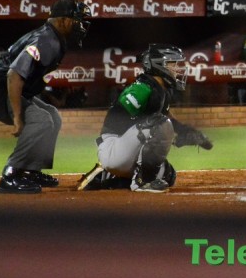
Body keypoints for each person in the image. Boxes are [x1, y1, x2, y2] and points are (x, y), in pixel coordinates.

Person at [0, 0, 93, 193]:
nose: (81, 25)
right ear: (63, 20)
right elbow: (13, 75)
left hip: (11, 88)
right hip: (0, 89)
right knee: (41, 120)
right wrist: (17, 117)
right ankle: (11, 174)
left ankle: (30, 170)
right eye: (77, 20)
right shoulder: (46, 40)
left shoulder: (52, 36)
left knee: (53, 116)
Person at [76, 44, 213, 193]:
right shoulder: (142, 88)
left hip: (127, 146)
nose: (178, 69)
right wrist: (148, 129)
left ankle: (105, 177)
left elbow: (167, 121)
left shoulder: (162, 90)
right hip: (114, 145)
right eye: (173, 64)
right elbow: (115, 119)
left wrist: (185, 131)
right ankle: (142, 182)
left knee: (168, 175)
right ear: (159, 65)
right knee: (159, 123)